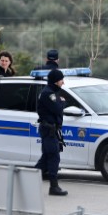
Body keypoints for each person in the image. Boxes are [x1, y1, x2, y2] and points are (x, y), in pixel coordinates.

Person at [34, 68, 68, 196]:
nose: (63, 83)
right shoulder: (48, 94)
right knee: (53, 156)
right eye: (61, 80)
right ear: (55, 81)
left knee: (46, 158)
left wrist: (61, 102)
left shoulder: (52, 92)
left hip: (51, 129)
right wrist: (61, 102)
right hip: (48, 130)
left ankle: (27, 182)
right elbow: (57, 108)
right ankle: (54, 187)